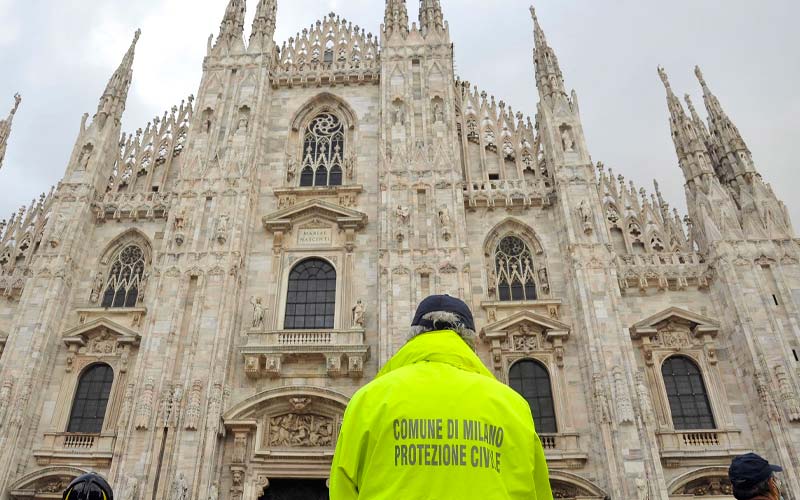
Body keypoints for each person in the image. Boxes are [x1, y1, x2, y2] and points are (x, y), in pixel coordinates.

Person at [330, 295, 553, 499]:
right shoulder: (514, 407)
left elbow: (342, 490)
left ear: (413, 337)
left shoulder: (367, 400)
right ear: (470, 342)